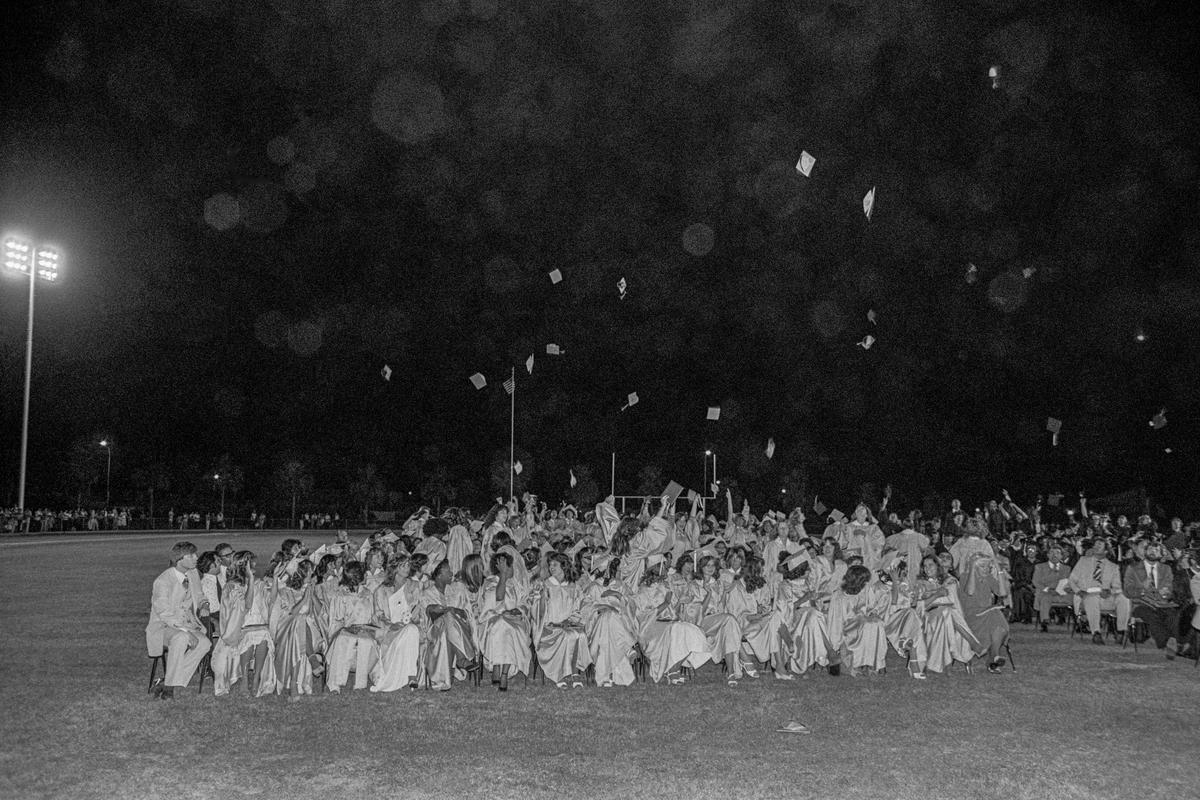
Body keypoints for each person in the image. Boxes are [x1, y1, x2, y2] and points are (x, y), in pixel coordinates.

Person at [146, 541, 211, 699]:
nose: (196, 557)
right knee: (181, 638)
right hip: (163, 627)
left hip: (187, 624)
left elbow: (200, 595)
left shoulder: (193, 573)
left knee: (205, 643)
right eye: (191, 555)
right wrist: (186, 632)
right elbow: (164, 613)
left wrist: (204, 605)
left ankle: (165, 683)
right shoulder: (162, 582)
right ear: (180, 560)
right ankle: (169, 690)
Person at [211, 551, 277, 697]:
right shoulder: (232, 587)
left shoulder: (259, 583)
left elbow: (272, 599)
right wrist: (251, 580)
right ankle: (245, 679)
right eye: (250, 563)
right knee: (252, 636)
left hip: (259, 624)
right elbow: (246, 605)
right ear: (242, 566)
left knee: (263, 635)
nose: (255, 565)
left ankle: (256, 679)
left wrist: (276, 579)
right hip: (238, 627)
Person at [532, 552, 592, 688]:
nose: (551, 568)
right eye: (550, 565)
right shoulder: (545, 585)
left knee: (580, 635)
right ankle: (559, 674)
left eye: (555, 565)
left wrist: (571, 621)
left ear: (564, 566)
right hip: (549, 627)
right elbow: (538, 612)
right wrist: (540, 599)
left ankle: (575, 671)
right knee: (565, 636)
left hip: (569, 624)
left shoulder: (573, 586)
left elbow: (581, 605)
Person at [914, 554, 977, 674]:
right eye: (925, 566)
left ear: (938, 566)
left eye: (930, 565)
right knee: (947, 613)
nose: (927, 569)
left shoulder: (950, 580)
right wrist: (937, 595)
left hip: (946, 616)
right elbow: (919, 607)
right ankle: (967, 651)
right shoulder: (920, 583)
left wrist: (930, 597)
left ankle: (943, 664)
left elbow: (951, 600)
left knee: (946, 614)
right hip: (927, 617)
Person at [479, 550, 532, 691]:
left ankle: (502, 671)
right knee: (501, 623)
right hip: (492, 619)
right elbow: (498, 600)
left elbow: (525, 603)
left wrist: (518, 610)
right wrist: (502, 576)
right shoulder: (490, 582)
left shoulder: (516, 585)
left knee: (506, 625)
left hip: (516, 621)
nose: (512, 569)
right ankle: (498, 667)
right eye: (509, 567)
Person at [425, 557, 480, 691]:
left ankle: (445, 677)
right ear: (439, 575)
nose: (451, 573)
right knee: (445, 622)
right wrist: (433, 610)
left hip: (462, 630)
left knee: (449, 615)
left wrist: (455, 610)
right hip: (436, 633)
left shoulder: (457, 589)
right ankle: (462, 658)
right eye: (448, 571)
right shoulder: (427, 593)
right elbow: (426, 618)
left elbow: (468, 613)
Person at [271, 560, 325, 696]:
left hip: (311, 631)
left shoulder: (311, 589)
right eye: (310, 571)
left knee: (301, 622)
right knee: (298, 621)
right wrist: (304, 598)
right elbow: (291, 614)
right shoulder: (286, 592)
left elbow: (321, 612)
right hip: (288, 631)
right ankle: (311, 661)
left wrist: (311, 594)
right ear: (300, 574)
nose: (313, 574)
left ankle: (296, 683)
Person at [324, 561, 380, 692]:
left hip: (365, 630)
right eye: (364, 574)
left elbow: (372, 617)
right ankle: (335, 683)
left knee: (366, 641)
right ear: (357, 576)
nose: (367, 576)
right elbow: (335, 620)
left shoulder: (367, 594)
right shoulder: (340, 595)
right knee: (345, 639)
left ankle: (363, 682)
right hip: (344, 631)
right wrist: (346, 628)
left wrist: (368, 627)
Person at [369, 557, 422, 692]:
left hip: (411, 625)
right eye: (402, 565)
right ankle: (411, 675)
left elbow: (419, 608)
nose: (407, 568)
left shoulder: (414, 586)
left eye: (408, 565)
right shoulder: (382, 589)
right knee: (410, 631)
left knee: (411, 630)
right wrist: (391, 625)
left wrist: (413, 619)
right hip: (390, 630)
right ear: (394, 568)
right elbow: (378, 615)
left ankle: (410, 674)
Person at [826, 564, 889, 676]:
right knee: (867, 625)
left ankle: (877, 664)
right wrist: (835, 646)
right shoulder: (839, 596)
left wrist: (873, 613)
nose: (866, 583)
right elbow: (835, 623)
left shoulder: (865, 589)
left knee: (877, 623)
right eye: (863, 580)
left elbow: (871, 606)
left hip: (864, 622)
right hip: (849, 630)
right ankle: (862, 663)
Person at [1123, 543, 1181, 656]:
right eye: (1150, 549)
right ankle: (1168, 643)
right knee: (1151, 615)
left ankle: (1172, 642)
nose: (1153, 551)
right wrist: (1142, 588)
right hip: (1140, 603)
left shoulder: (1166, 569)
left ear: (1161, 554)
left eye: (1156, 550)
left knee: (1172, 615)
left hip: (1161, 603)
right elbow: (1127, 591)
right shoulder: (1133, 568)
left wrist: (1166, 593)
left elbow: (1169, 589)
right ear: (1145, 552)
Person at [1068, 539, 1131, 644]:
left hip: (1104, 597)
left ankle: (1121, 631)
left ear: (1106, 550)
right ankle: (1096, 632)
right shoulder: (1083, 561)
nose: (1096, 547)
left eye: (1100, 545)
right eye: (1095, 544)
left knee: (1124, 598)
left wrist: (1109, 591)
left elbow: (1117, 587)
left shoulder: (1113, 567)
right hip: (1086, 595)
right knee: (1092, 598)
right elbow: (1072, 580)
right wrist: (1078, 591)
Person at [957, 553, 1011, 673]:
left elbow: (1002, 593)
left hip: (988, 615)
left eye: (988, 567)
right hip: (972, 617)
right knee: (995, 614)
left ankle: (994, 658)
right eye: (983, 566)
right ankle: (993, 659)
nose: (987, 569)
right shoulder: (965, 576)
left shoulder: (989, 578)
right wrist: (971, 568)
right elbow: (970, 592)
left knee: (998, 623)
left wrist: (999, 570)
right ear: (974, 567)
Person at [1032, 545, 1073, 631]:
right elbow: (1036, 582)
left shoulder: (1067, 568)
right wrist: (1048, 589)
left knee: (1079, 597)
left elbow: (1069, 582)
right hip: (1046, 593)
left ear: (1061, 556)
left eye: (1057, 553)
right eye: (1052, 553)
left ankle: (1083, 622)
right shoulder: (1039, 567)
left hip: (1062, 594)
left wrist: (1066, 589)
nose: (1054, 555)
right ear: (1047, 555)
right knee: (1045, 598)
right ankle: (1044, 622)